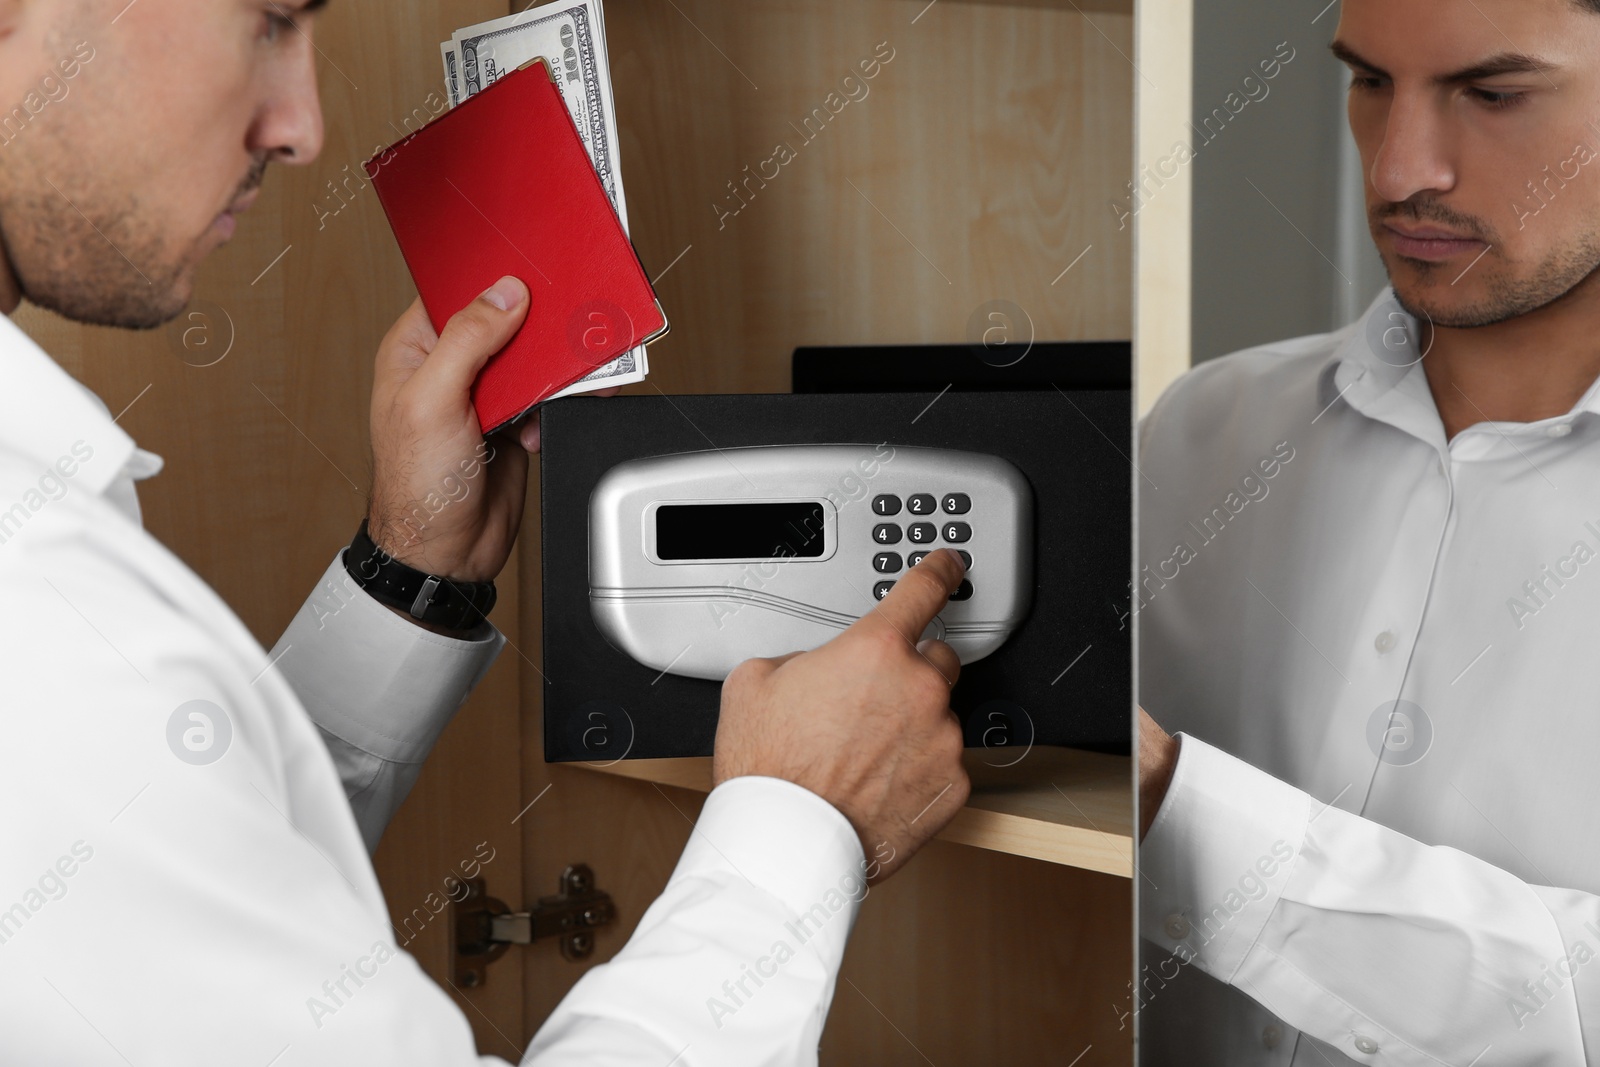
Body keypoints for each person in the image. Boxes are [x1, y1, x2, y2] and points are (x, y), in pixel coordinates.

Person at [0, 1, 971, 1063]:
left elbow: (196, 896)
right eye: (271, 18)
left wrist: (411, 571)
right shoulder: (35, 603)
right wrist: (797, 826)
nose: (302, 125)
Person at [1136, 0, 1600, 1063]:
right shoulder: (1200, 432)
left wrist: (1176, 802)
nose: (1397, 172)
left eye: (1491, 94)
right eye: (1368, 82)